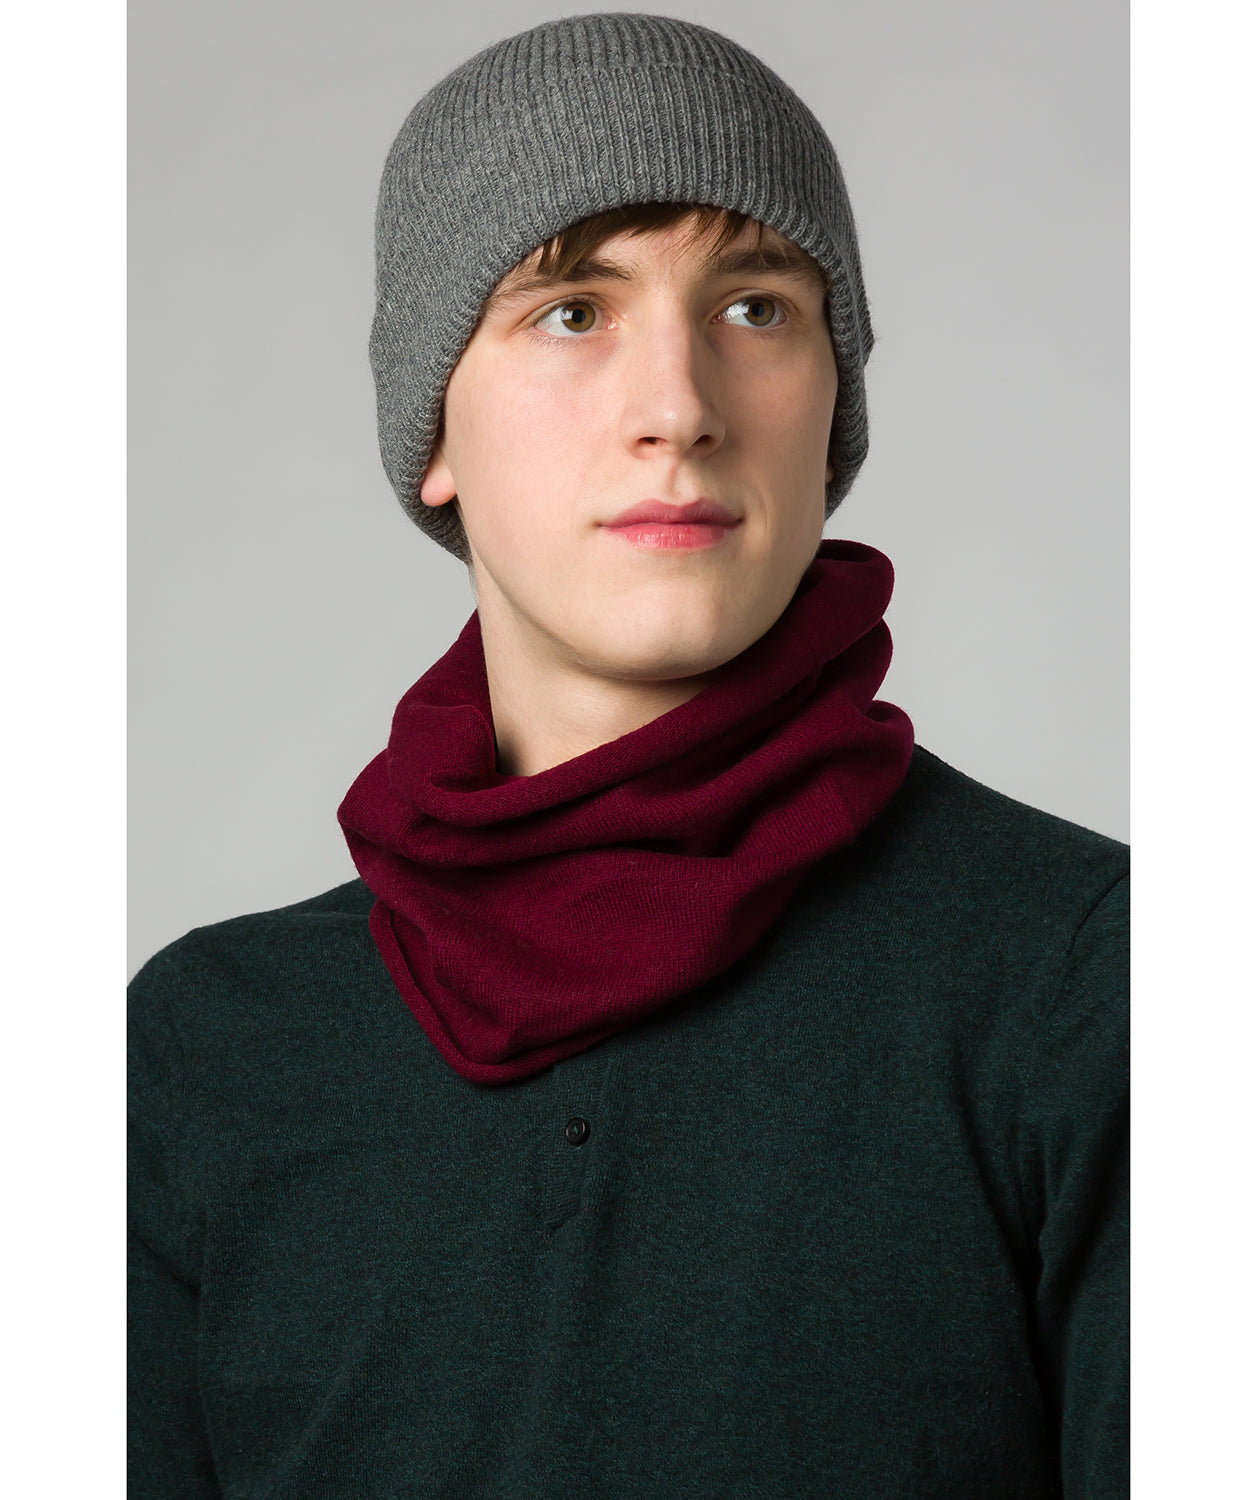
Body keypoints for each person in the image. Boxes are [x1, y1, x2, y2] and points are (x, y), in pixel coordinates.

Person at [128, 12, 1128, 1497]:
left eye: (756, 307)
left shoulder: (1096, 982)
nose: (678, 410)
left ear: (833, 406)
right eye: (571, 312)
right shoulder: (206, 1051)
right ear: (432, 429)